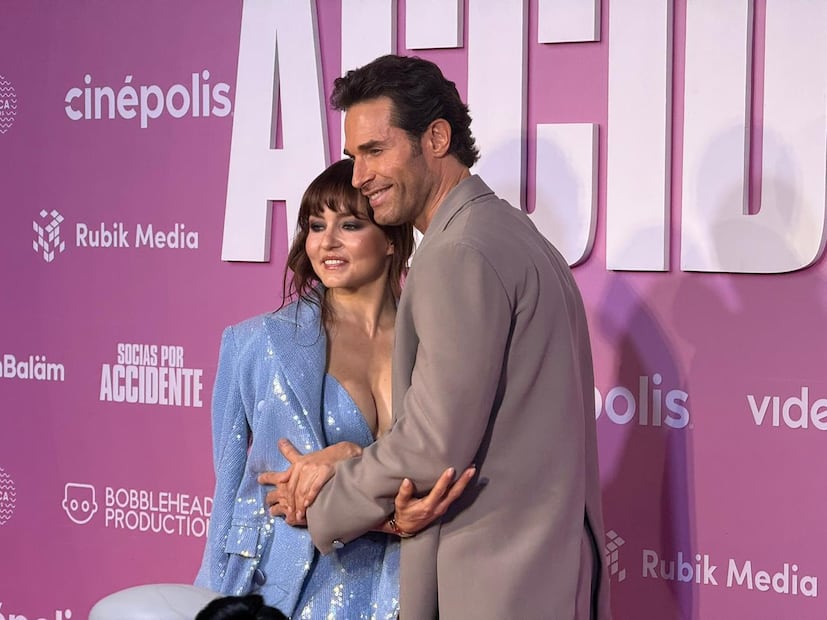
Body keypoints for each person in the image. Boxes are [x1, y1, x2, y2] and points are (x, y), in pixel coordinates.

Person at [262, 55, 612, 619]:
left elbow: (431, 447)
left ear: (436, 137)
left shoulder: (456, 254)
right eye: (354, 157)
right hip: (550, 573)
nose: (359, 177)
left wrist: (325, 503)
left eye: (376, 151)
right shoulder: (515, 233)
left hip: (492, 583)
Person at [196, 158, 473, 619]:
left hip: (406, 582)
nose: (327, 242)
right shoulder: (257, 343)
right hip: (286, 587)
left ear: (390, 238)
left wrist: (348, 457)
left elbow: (445, 469)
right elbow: (228, 498)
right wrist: (211, 601)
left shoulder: (437, 344)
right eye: (315, 225)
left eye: (349, 224)